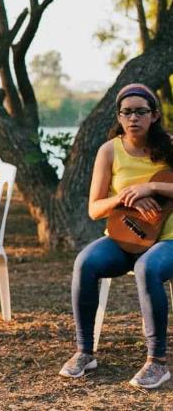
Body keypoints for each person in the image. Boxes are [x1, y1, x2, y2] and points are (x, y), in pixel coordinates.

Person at [59, 83, 173, 389]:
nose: (133, 117)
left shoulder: (170, 147)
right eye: (126, 112)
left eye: (140, 111)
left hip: (168, 239)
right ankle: (85, 352)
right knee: (85, 262)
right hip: (124, 237)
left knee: (147, 268)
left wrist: (151, 188)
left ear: (154, 116)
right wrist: (124, 197)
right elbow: (95, 209)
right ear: (119, 117)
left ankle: (157, 362)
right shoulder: (109, 150)